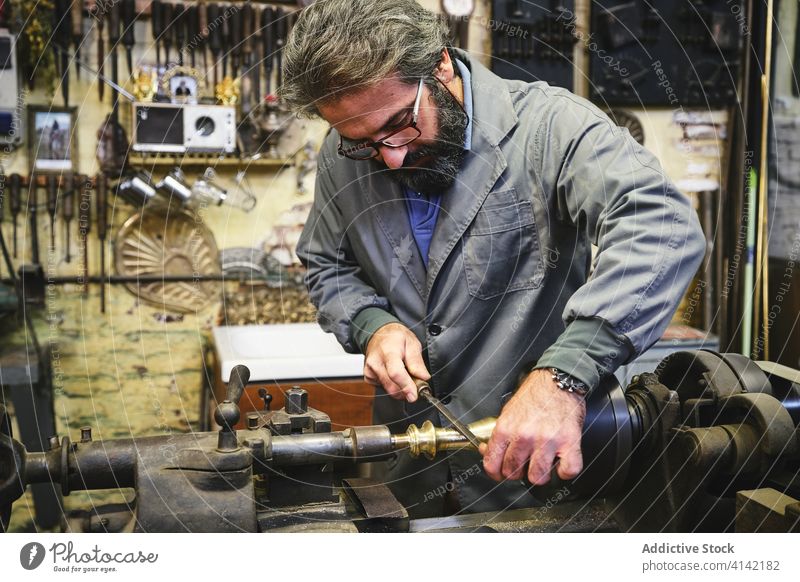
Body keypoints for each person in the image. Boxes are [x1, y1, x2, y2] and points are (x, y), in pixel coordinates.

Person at [280, 0, 706, 517]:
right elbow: (328, 263)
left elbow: (660, 226)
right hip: (408, 474)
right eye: (362, 143)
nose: (388, 156)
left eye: (399, 126)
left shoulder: (551, 128)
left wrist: (566, 376)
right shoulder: (342, 153)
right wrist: (373, 326)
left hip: (538, 479)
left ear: (439, 67)